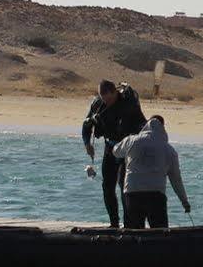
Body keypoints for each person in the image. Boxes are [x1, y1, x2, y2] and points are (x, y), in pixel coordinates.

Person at [82, 79, 148, 227]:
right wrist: (87, 144)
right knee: (107, 185)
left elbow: (143, 126)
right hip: (110, 147)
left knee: (124, 185)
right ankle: (113, 223)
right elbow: (86, 125)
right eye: (104, 99)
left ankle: (128, 223)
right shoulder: (98, 105)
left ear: (115, 92)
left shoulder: (128, 103)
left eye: (109, 99)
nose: (107, 103)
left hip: (128, 149)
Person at [110, 114, 191, 229]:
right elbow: (176, 179)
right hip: (156, 195)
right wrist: (184, 201)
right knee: (159, 232)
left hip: (133, 192)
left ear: (145, 126)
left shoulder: (132, 140)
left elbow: (115, 151)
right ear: (163, 128)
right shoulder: (169, 150)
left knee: (134, 231)